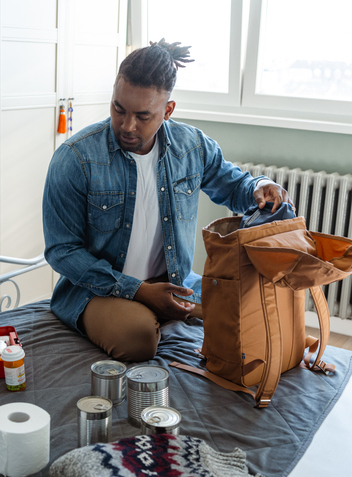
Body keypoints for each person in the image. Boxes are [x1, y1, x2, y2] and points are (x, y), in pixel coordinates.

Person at [42, 39, 292, 362]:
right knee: (139, 338)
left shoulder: (192, 147)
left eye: (142, 116)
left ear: (168, 111)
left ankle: (166, 313)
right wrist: (138, 292)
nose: (127, 126)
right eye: (118, 109)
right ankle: (151, 316)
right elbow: (61, 251)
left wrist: (261, 185)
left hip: (172, 283)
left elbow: (235, 186)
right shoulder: (75, 159)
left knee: (253, 312)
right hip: (98, 291)